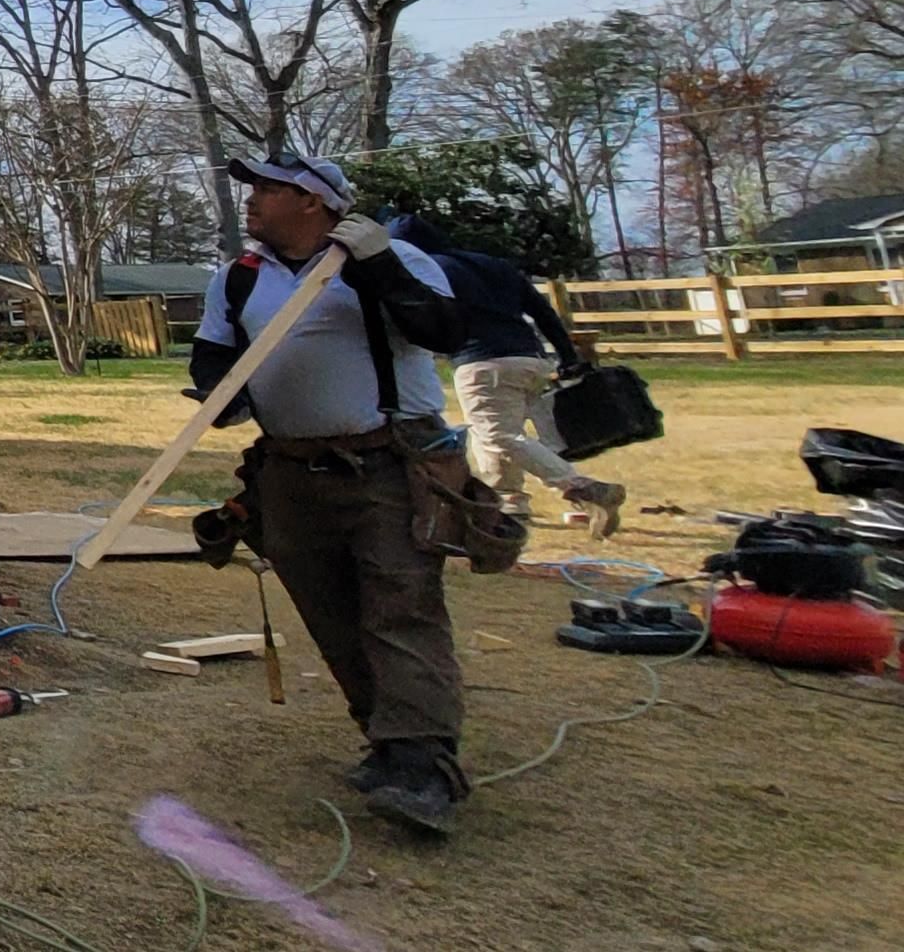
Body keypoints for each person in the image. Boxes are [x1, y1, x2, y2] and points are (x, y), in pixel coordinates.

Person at [183, 154, 475, 836]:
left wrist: (379, 265)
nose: (252, 200)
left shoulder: (389, 261)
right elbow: (212, 356)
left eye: (269, 189)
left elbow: (445, 332)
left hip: (388, 462)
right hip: (290, 471)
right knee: (330, 611)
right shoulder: (238, 278)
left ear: (313, 203)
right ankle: (386, 739)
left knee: (401, 606)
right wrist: (221, 397)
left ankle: (426, 767)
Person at [386, 214, 628, 538]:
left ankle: (583, 488)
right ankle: (510, 504)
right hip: (531, 358)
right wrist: (568, 356)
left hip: (483, 363)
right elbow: (543, 312)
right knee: (500, 434)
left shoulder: (427, 269)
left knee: (498, 435)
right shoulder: (493, 265)